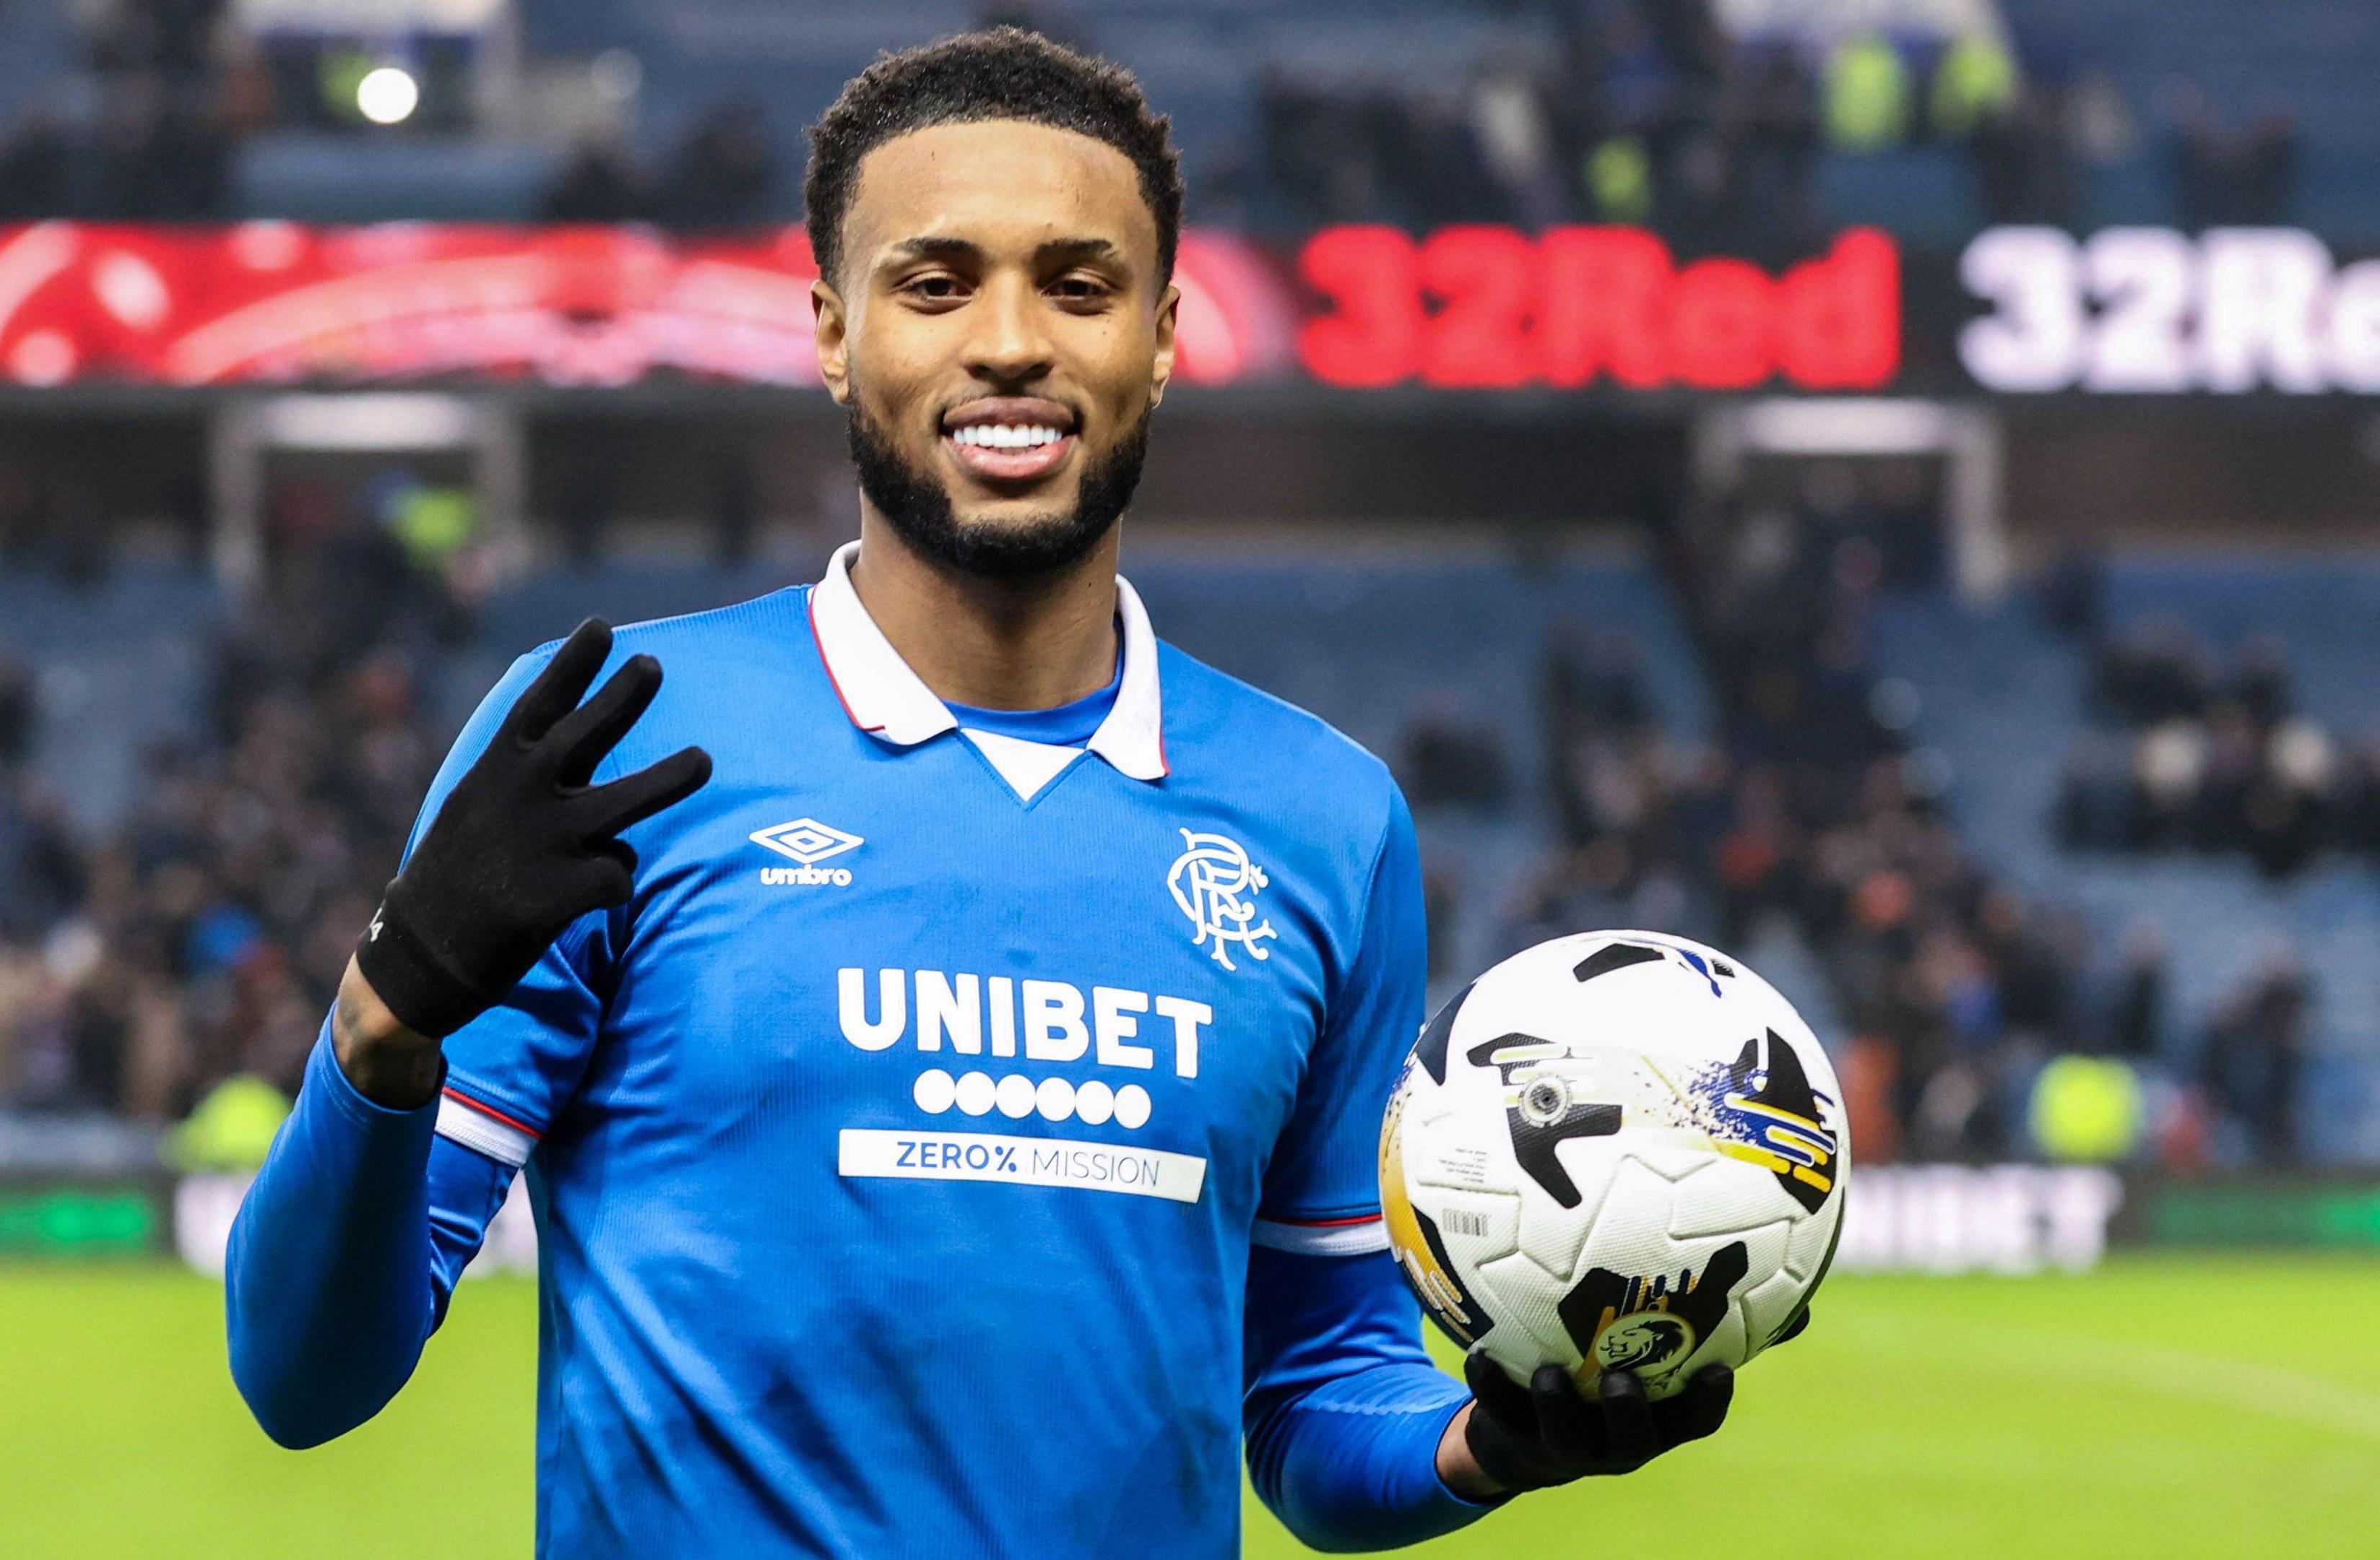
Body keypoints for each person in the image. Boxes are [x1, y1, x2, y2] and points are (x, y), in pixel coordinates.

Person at [225, 29, 1752, 1559]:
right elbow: (304, 1378)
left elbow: (1312, 1393)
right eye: (935, 282)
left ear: (1161, 335)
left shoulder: (1326, 821)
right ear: (834, 332)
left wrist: (1489, 1443)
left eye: (1078, 286)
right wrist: (386, 1015)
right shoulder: (610, 744)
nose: (1011, 342)